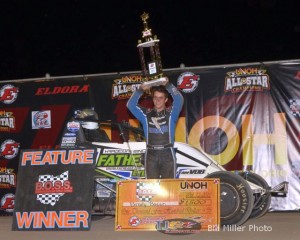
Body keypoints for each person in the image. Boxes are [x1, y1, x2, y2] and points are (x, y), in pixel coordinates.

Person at [127, 78, 184, 179]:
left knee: (169, 188)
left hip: (168, 153)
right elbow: (130, 105)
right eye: (155, 97)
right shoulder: (145, 114)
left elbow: (179, 100)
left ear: (166, 100)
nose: (157, 100)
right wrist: (140, 89)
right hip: (151, 154)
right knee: (151, 188)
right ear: (152, 99)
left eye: (161, 98)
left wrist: (168, 85)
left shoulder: (172, 114)